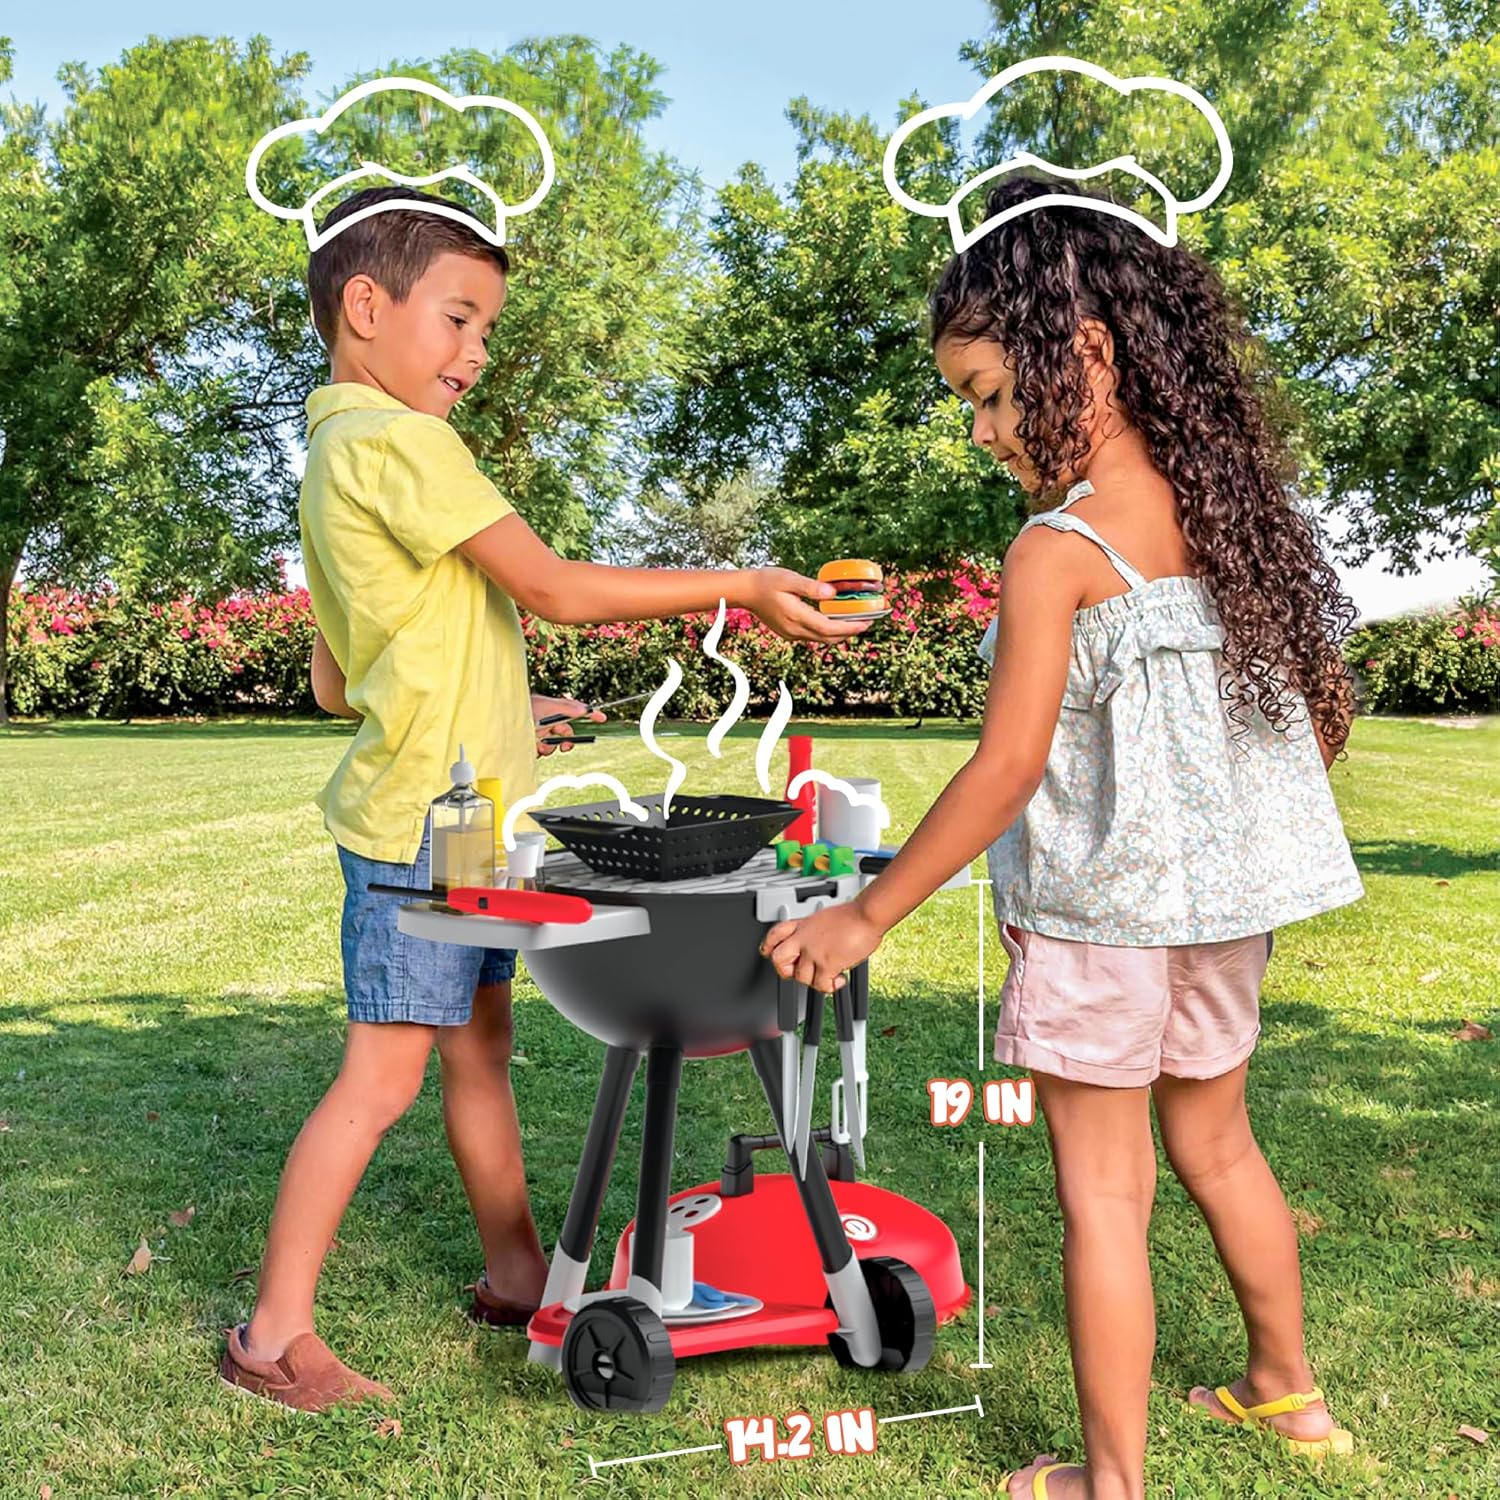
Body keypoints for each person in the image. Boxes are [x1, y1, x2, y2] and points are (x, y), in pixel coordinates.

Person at [763, 175, 1365, 1500]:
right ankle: (1286, 1391)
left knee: (1105, 1197)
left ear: (1082, 351)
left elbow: (1006, 769)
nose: (981, 430)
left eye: (987, 394)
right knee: (1221, 1146)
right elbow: (1309, 725)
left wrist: (866, 914)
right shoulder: (1229, 524)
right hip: (1219, 920)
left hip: (1101, 926)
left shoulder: (1058, 549)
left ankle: (1109, 1483)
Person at [220, 185, 867, 1412]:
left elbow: (336, 678)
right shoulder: (403, 443)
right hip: (424, 826)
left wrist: (506, 711)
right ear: (367, 305)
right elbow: (556, 590)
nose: (474, 353)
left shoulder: (331, 453)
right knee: (381, 1078)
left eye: (486, 330)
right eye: (459, 318)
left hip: (453, 806)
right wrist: (738, 583)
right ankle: (272, 1334)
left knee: (482, 1052)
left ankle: (521, 1275)